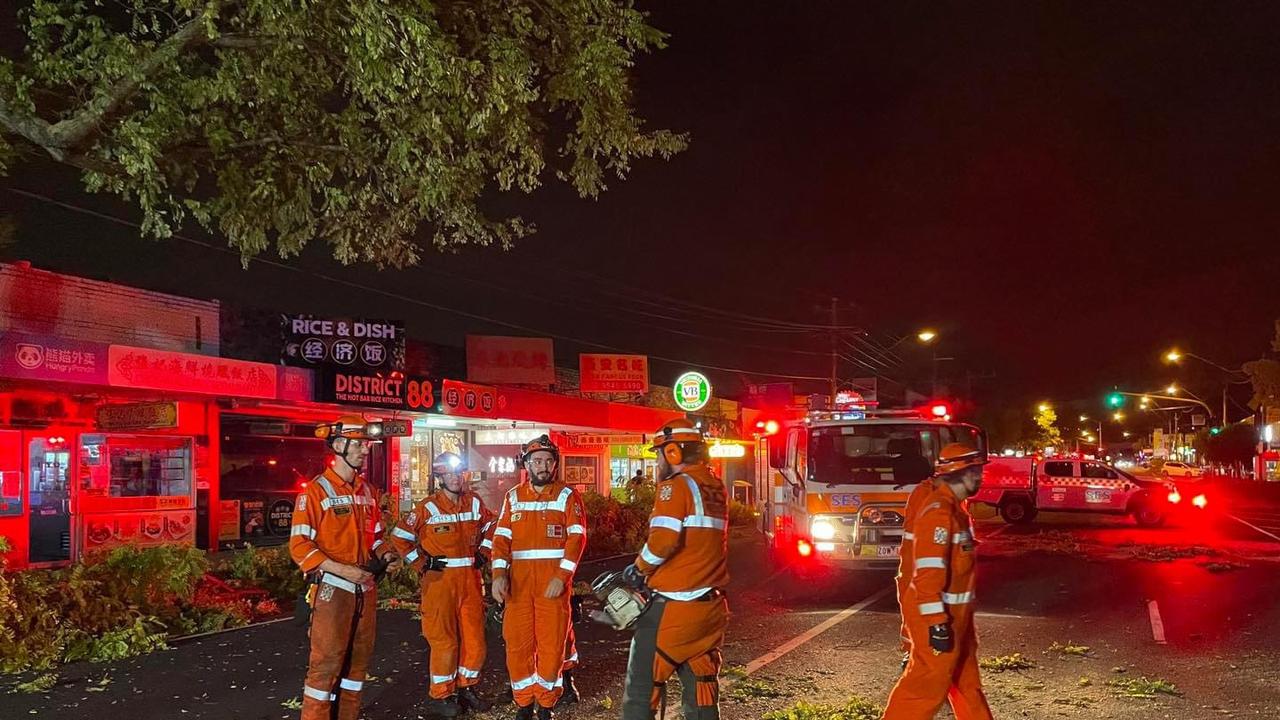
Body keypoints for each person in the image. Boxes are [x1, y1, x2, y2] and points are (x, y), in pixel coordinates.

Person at [290, 415, 400, 720]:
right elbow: (299, 547)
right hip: (333, 591)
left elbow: (376, 536)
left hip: (365, 590)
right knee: (324, 669)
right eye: (359, 445)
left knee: (357, 668)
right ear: (339, 446)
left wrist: (387, 554)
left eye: (366, 444)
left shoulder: (366, 491)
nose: (365, 451)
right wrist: (342, 570)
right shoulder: (315, 492)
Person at [620, 421, 730, 720]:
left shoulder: (675, 487)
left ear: (672, 452)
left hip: (673, 608)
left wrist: (638, 569)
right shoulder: (714, 487)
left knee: (641, 690)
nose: (657, 462)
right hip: (710, 608)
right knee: (702, 687)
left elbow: (663, 543)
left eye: (659, 455)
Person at [883, 443, 993, 720]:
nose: (980, 477)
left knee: (967, 685)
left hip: (955, 619)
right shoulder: (939, 514)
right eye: (975, 472)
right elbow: (927, 575)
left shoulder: (955, 510)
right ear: (958, 474)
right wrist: (937, 626)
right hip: (940, 619)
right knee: (925, 686)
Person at [389, 452, 496, 718]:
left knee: (475, 641)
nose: (456, 478)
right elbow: (400, 537)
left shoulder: (474, 502)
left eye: (459, 473)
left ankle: (466, 688)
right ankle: (440, 695)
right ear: (440, 478)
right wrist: (421, 563)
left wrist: (485, 549)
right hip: (439, 584)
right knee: (444, 642)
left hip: (470, 582)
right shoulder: (427, 508)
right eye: (449, 474)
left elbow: (494, 525)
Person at [490, 435, 587, 720]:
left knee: (551, 645)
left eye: (548, 461)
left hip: (552, 588)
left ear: (555, 464)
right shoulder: (513, 497)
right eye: (537, 461)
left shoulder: (567, 496)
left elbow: (577, 539)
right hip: (518, 588)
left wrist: (562, 576)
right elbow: (501, 539)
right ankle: (523, 703)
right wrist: (498, 575)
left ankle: (545, 705)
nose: (542, 466)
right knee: (517, 645)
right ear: (527, 464)